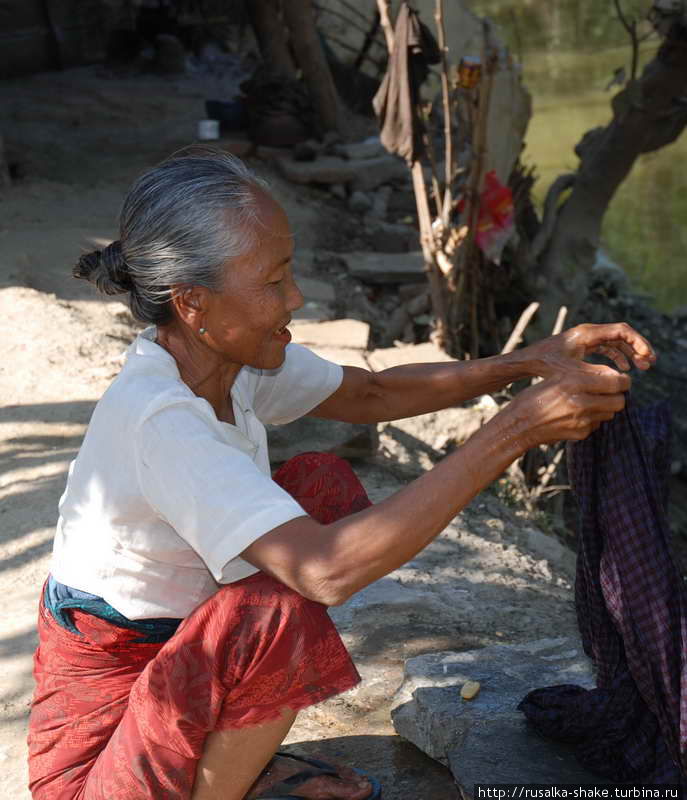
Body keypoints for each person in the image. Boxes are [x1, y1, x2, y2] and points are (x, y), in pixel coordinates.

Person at [27, 148, 656, 800]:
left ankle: (226, 764)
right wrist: (516, 429)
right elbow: (324, 571)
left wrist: (529, 361)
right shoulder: (161, 421)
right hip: (99, 746)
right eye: (273, 282)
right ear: (193, 304)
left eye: (289, 272)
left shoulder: (229, 362)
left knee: (319, 485)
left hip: (174, 659)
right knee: (283, 595)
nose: (294, 298)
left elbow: (372, 395)